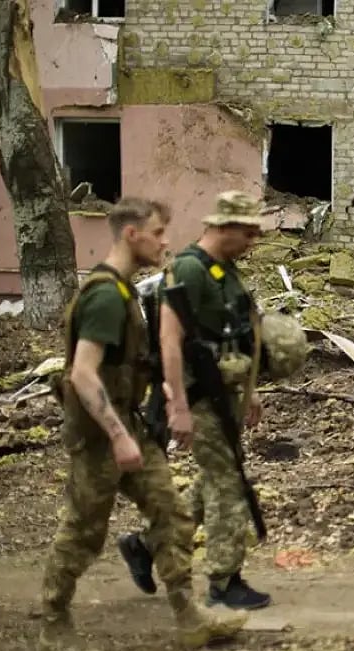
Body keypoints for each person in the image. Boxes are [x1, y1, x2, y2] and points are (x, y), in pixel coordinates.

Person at [38, 197, 248, 651]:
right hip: (99, 437)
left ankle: (189, 616)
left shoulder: (125, 290)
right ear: (132, 235)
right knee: (82, 532)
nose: (166, 241)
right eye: (157, 232)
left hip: (130, 425)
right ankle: (53, 627)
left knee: (171, 515)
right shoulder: (106, 297)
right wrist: (117, 435)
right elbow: (83, 374)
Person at [117, 191, 273, 610]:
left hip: (226, 394)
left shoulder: (225, 271)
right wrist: (178, 407)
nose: (252, 240)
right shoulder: (188, 268)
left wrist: (250, 389)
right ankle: (224, 580)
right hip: (198, 397)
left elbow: (236, 334)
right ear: (223, 227)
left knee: (213, 481)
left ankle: (146, 545)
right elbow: (170, 340)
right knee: (227, 484)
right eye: (247, 232)